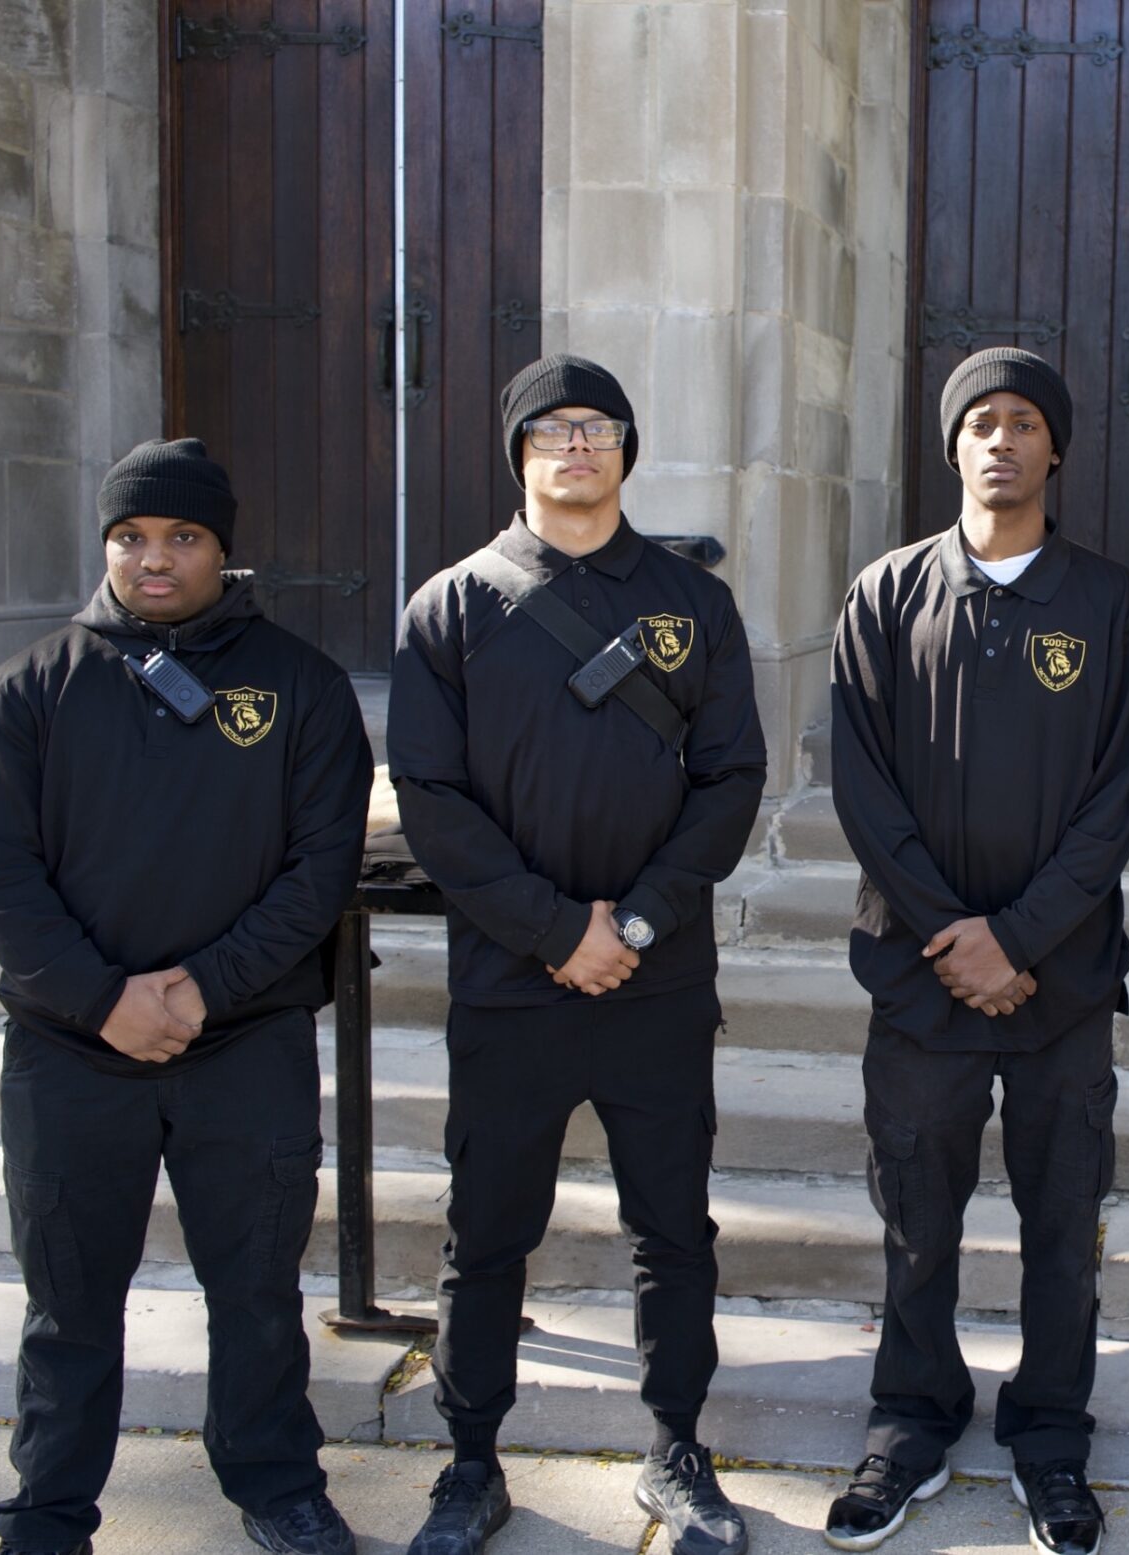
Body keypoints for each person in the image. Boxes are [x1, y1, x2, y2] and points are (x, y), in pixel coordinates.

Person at [0, 438, 374, 1555]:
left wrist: (203, 988)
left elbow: (320, 868)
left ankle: (275, 1482)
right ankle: (48, 1514)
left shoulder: (302, 686)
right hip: (70, 1050)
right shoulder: (30, 689)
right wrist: (103, 1001)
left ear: (221, 549)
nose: (154, 558)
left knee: (258, 1292)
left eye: (182, 536)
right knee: (68, 1304)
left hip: (246, 1043)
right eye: (130, 536)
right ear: (105, 545)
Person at [387, 354, 769, 1555]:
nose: (575, 446)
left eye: (597, 426)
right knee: (488, 1231)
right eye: (550, 429)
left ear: (626, 448)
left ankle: (678, 1448)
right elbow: (432, 797)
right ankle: (470, 1461)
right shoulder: (452, 607)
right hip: (511, 984)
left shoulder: (692, 602)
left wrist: (638, 922)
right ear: (519, 453)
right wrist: (557, 930)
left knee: (674, 1228)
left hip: (659, 980)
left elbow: (731, 778)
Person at [823, 348, 1129, 1555]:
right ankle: (911, 1417)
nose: (1002, 440)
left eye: (1024, 422)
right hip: (920, 981)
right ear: (953, 445)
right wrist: (952, 937)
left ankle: (1052, 1434)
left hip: (1061, 981)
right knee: (918, 1214)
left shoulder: (1111, 607)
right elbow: (862, 788)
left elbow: (1117, 800)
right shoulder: (885, 595)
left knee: (1063, 1223)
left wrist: (1018, 938)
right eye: (981, 423)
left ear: (1055, 448)